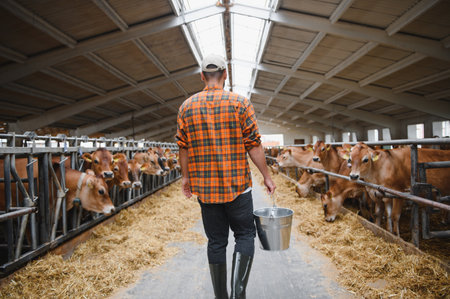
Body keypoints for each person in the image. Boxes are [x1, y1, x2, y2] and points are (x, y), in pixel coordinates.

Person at [176, 54, 276, 299]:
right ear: (225, 75)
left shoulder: (186, 107)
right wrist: (267, 176)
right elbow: (254, 145)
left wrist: (186, 178)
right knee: (244, 235)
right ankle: (238, 292)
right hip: (238, 188)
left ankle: (221, 296)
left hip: (207, 192)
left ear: (202, 76)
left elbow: (183, 147)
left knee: (216, 242)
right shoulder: (241, 104)